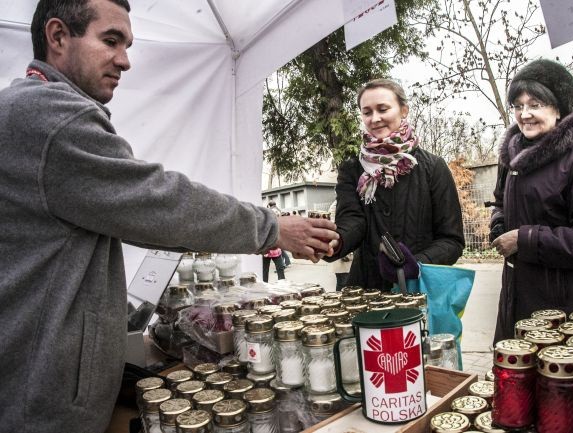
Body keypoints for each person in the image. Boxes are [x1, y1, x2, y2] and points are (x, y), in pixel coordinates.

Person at [0, 1, 339, 432]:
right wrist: (272, 228)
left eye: (127, 44)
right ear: (58, 36)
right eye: (110, 40)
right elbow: (161, 204)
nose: (124, 60)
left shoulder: (25, 109)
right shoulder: (51, 117)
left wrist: (123, 315)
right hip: (40, 400)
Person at [490, 59, 573, 344]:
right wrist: (499, 224)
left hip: (570, 312)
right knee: (516, 383)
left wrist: (525, 240)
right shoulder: (512, 160)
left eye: (535, 104)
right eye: (518, 105)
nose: (525, 114)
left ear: (558, 108)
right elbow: (500, 202)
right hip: (517, 298)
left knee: (561, 386)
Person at [324, 78, 465, 291]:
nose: (375, 118)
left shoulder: (433, 167)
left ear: (404, 110)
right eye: (367, 112)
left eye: (383, 109)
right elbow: (352, 220)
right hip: (366, 293)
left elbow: (451, 240)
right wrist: (336, 242)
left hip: (418, 293)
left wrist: (416, 263)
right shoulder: (352, 169)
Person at [328, 199, 353, 290]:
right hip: (342, 251)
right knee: (343, 282)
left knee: (346, 282)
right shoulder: (336, 206)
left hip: (347, 250)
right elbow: (335, 227)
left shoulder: (344, 203)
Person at [268, 201, 291, 267]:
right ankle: (286, 262)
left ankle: (282, 264)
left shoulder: (271, 211)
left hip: (275, 230)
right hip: (280, 229)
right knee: (279, 247)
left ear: (270, 205)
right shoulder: (278, 210)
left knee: (277, 247)